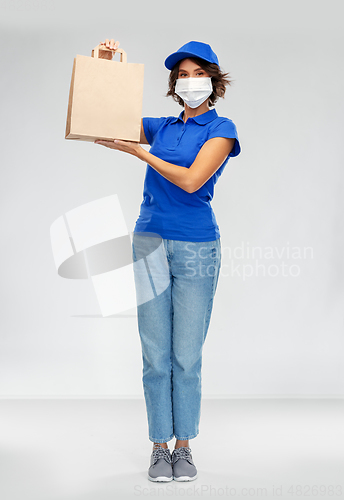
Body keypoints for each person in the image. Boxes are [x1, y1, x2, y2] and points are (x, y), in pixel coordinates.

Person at [95, 38, 241, 482]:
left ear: (213, 81)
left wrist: (141, 152)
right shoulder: (160, 126)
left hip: (196, 246)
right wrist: (106, 67)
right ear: (174, 83)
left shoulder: (222, 129)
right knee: (155, 354)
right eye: (184, 74)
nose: (191, 81)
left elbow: (194, 181)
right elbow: (100, 116)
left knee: (186, 355)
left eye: (200, 74)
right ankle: (159, 446)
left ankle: (185, 447)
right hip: (149, 242)